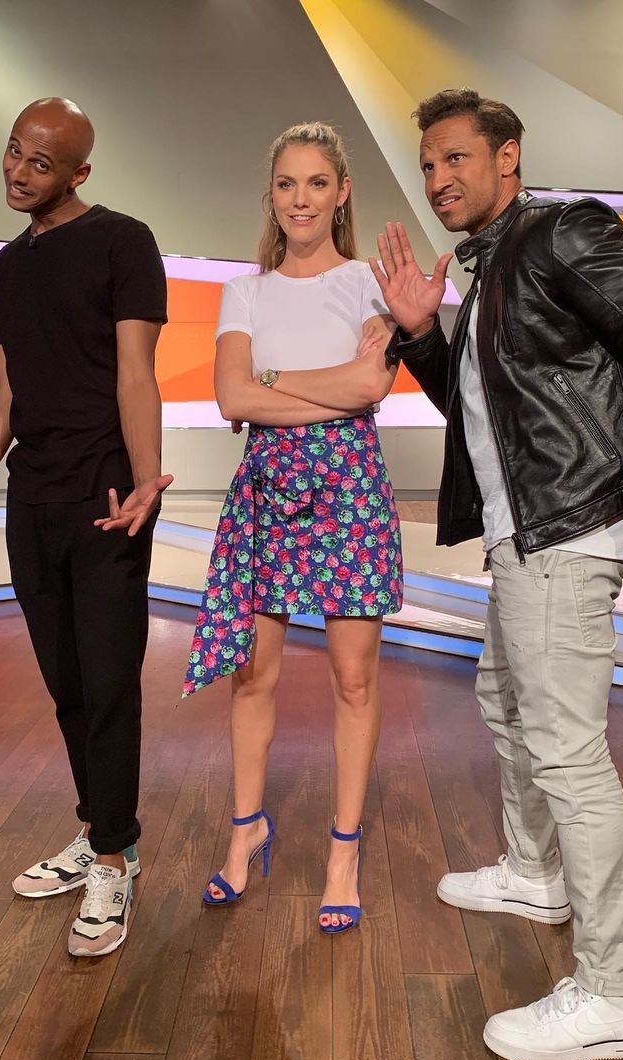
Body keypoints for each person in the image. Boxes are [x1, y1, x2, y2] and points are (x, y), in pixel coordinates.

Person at [371, 88, 623, 1060]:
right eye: (427, 164)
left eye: (455, 158)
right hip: (523, 532)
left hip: (568, 528)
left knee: (568, 754)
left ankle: (614, 993)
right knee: (507, 705)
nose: (438, 179)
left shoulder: (560, 232)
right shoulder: (494, 266)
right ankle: (535, 873)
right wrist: (423, 334)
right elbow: (486, 412)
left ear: (507, 156)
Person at [0, 97, 171, 958]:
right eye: (14, 151)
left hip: (106, 494)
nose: (18, 171)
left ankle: (115, 861)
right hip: (31, 499)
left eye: (40, 163)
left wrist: (146, 480)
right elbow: (5, 399)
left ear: (78, 173)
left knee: (110, 682)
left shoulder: (124, 242)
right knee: (68, 686)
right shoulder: (6, 269)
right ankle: (99, 828)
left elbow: (135, 374)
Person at [183, 122, 403, 934]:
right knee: (252, 676)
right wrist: (327, 386)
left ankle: (343, 854)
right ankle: (246, 830)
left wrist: (272, 380)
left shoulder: (370, 285)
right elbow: (231, 398)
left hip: (350, 492)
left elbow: (370, 388)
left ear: (341, 192)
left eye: (316, 183)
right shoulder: (244, 293)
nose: (300, 199)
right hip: (268, 491)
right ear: (270, 195)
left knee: (354, 680)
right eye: (286, 184)